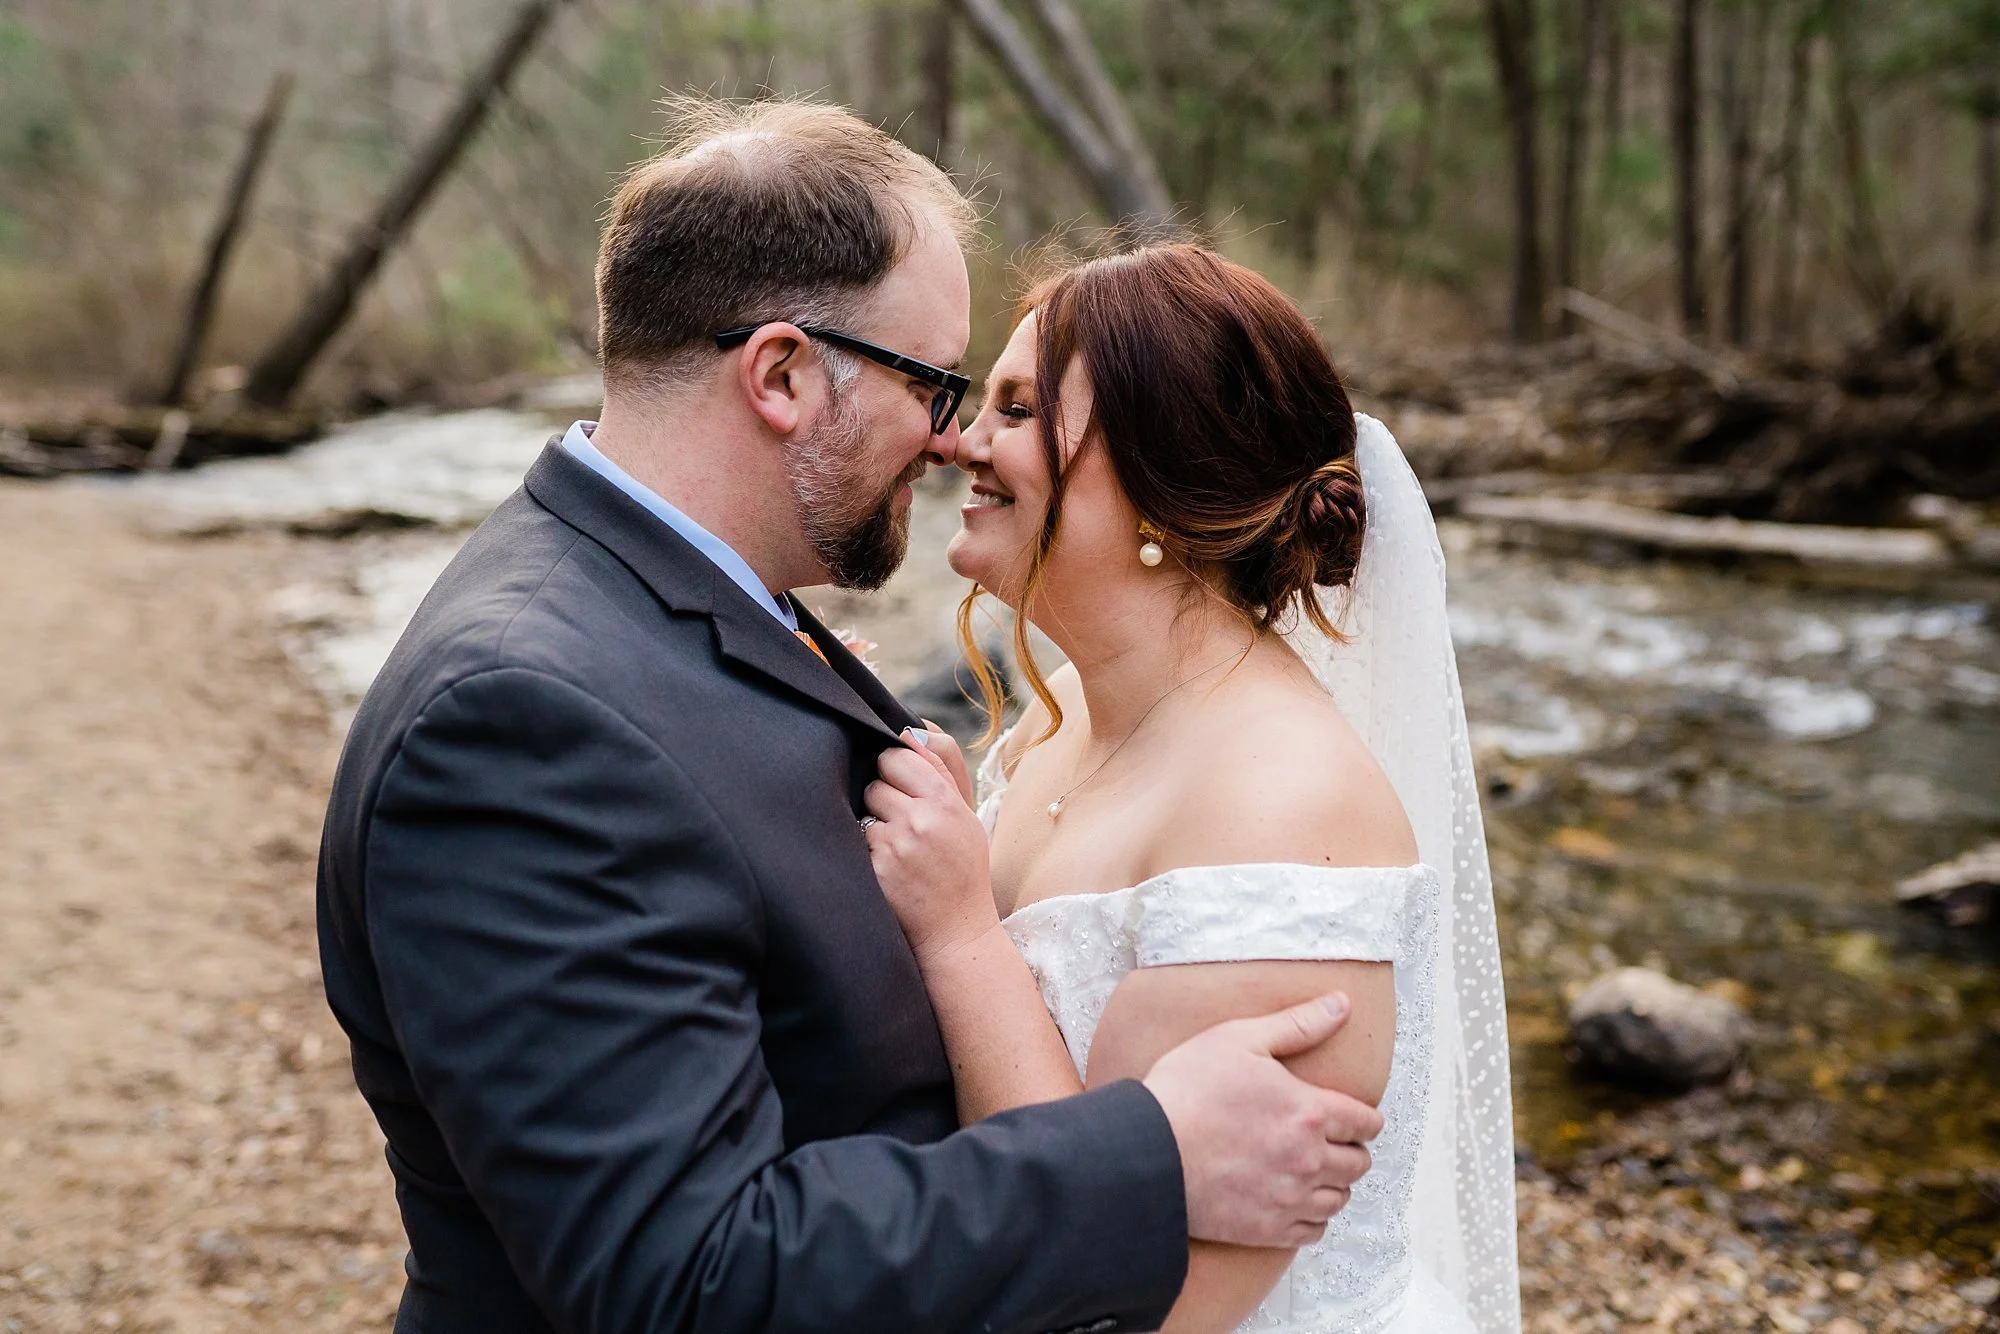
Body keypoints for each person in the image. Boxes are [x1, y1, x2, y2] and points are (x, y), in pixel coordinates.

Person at [317, 100, 1386, 1334]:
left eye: (994, 401)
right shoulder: (521, 720)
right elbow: (687, 1280)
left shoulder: (681, 613)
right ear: (779, 374)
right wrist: (1147, 1153)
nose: (947, 439)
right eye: (932, 383)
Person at [861, 244, 1522, 1334]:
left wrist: (957, 926)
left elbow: (1125, 1299)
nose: (961, 442)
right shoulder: (1064, 718)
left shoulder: (1276, 812)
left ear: (1162, 475)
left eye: (1017, 410)